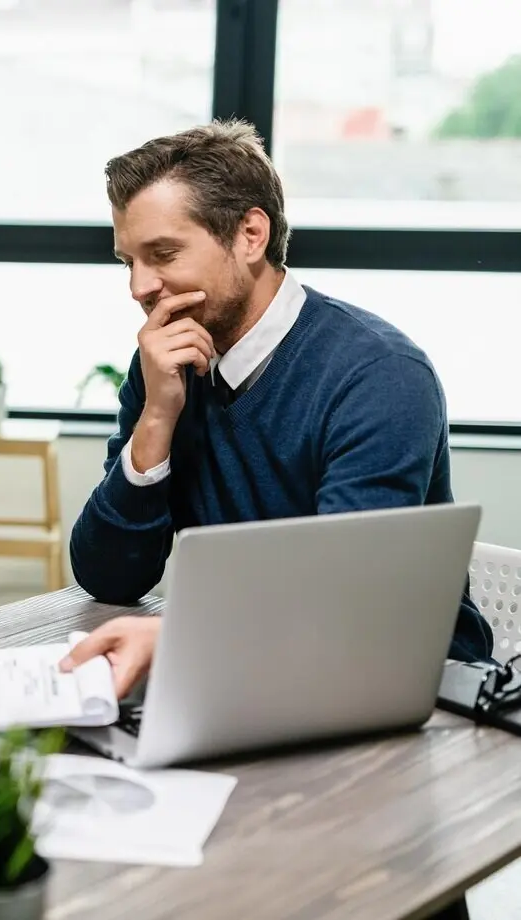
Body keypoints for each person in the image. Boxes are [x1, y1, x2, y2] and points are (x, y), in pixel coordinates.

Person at [61, 119, 492, 698]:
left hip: (413, 691)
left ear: (250, 236)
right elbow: (108, 577)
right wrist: (156, 420)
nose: (139, 287)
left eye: (163, 254)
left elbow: (345, 596)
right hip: (248, 675)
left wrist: (180, 640)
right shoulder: (164, 366)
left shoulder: (378, 375)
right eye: (127, 261)